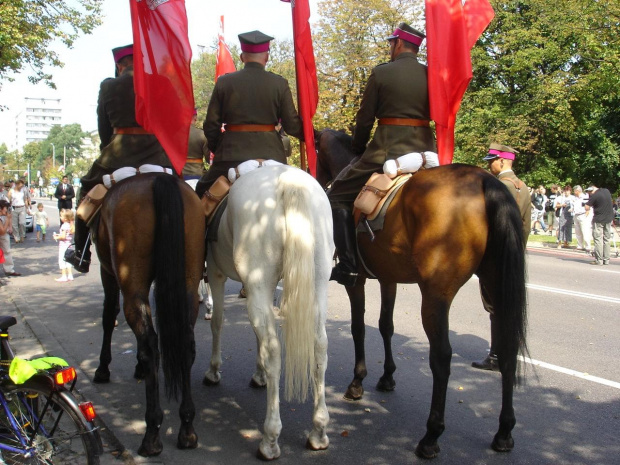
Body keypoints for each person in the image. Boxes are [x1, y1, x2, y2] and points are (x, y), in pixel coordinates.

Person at [327, 22, 435, 287]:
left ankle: (349, 267)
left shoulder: (382, 73)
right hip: (427, 151)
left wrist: (358, 147)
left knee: (337, 195)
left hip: (387, 149)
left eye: (391, 43)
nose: (390, 48)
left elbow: (365, 119)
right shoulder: (432, 75)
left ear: (398, 43)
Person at [65, 44, 172, 273]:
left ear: (119, 65)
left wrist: (109, 146)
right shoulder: (160, 82)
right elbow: (168, 124)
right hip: (159, 156)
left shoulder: (108, 86)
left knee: (85, 191)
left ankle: (82, 253)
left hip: (118, 156)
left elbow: (104, 129)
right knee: (184, 194)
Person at [195, 30, 303, 199]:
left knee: (201, 192)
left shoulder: (224, 82)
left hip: (231, 155)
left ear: (241, 57)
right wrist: (313, 135)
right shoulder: (279, 83)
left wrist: (220, 147)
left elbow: (211, 125)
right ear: (266, 57)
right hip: (272, 155)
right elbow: (292, 125)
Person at [472, 143, 531, 371]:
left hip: (496, 256)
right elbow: (524, 225)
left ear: (502, 161)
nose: (490, 165)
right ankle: (508, 353)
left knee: (495, 307)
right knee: (509, 304)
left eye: (492, 161)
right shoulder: (522, 186)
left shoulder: (498, 186)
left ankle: (497, 356)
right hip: (514, 254)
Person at [585, 184, 614, 265]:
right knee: (607, 239)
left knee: (598, 239)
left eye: (589, 192)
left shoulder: (595, 195)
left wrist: (587, 204)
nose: (589, 194)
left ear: (591, 189)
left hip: (598, 220)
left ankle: (599, 260)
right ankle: (606, 259)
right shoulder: (606, 191)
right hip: (608, 219)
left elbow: (587, 207)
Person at [0, 200, 21, 277]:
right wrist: (8, 219)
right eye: (6, 208)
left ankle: (9, 269)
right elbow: (2, 231)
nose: (7, 209)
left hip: (3, 234)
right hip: (2, 233)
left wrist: (9, 224)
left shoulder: (5, 215)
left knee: (7, 251)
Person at [53, 209, 74, 282]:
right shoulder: (70, 225)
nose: (60, 217)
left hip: (63, 246)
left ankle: (64, 276)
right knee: (68, 260)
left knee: (62, 260)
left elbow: (63, 237)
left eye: (61, 216)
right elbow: (67, 235)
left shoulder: (64, 226)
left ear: (65, 218)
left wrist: (56, 237)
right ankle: (70, 275)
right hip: (69, 245)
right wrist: (59, 235)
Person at [8, 178, 31, 244]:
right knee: (14, 224)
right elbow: (8, 200)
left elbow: (25, 200)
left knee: (22, 223)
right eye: (20, 186)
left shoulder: (22, 191)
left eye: (22, 186)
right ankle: (16, 237)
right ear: (17, 185)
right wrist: (8, 209)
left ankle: (22, 235)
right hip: (14, 208)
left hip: (22, 207)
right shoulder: (11, 191)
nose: (21, 187)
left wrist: (27, 208)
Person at [572, 185, 592, 254]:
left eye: (574, 191)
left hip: (582, 215)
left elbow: (587, 207)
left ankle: (588, 246)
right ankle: (580, 245)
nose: (574, 192)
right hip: (576, 214)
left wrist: (586, 215)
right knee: (578, 231)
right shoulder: (575, 198)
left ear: (578, 191)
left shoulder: (584, 197)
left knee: (585, 231)